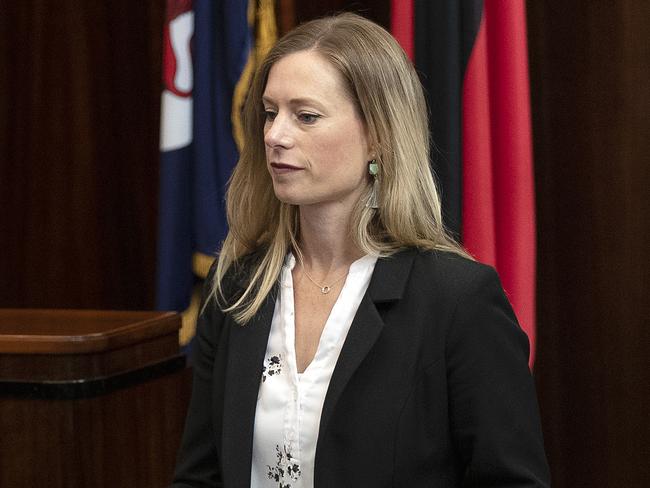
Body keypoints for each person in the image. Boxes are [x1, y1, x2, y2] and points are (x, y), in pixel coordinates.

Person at [172, 12, 550, 488]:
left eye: (305, 116)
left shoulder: (457, 299)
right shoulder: (236, 290)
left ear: (377, 135)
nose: (275, 135)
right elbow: (199, 477)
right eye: (270, 112)